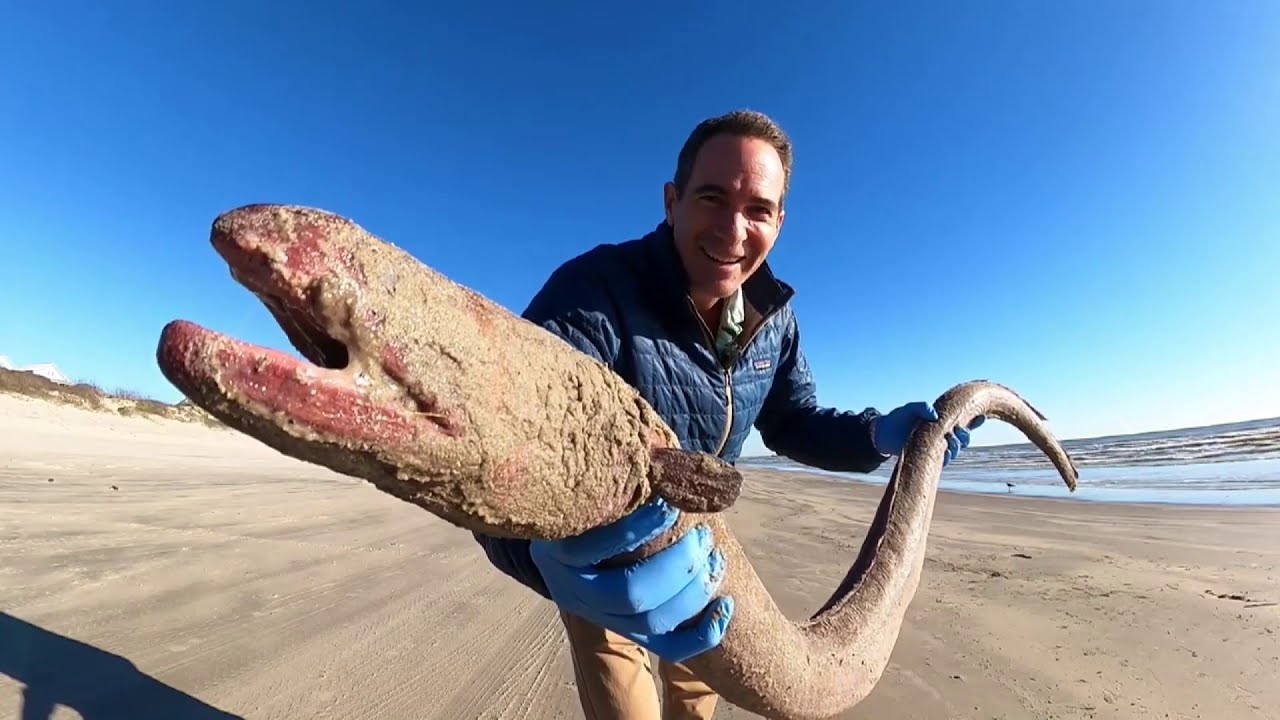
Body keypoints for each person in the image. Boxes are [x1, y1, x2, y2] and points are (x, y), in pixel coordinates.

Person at [472, 109, 983, 720]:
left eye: (758, 210)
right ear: (672, 201)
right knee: (619, 691)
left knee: (697, 689)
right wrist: (542, 559)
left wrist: (877, 435)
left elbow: (792, 420)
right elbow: (494, 437)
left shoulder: (775, 319)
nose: (734, 230)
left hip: (700, 546)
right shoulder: (596, 291)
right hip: (599, 555)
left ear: (780, 221)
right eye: (712, 198)